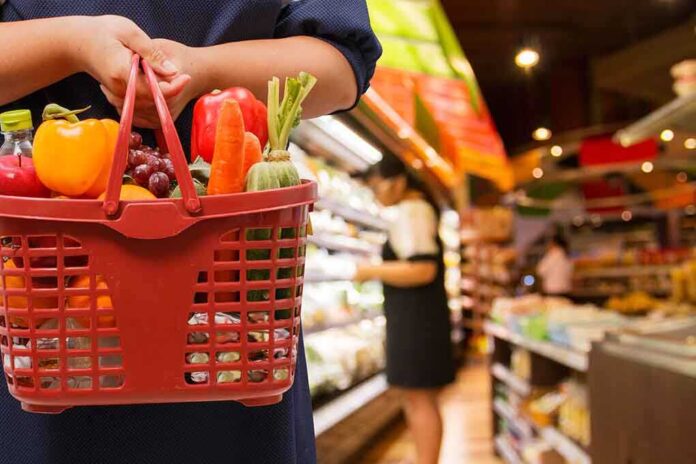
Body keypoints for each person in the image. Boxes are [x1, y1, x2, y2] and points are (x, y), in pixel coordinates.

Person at [0, 2, 381, 463]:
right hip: (42, 297)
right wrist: (71, 45)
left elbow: (342, 63)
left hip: (229, 309)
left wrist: (203, 69)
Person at [356, 154, 455, 464]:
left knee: (419, 398)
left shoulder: (411, 211)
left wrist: (372, 271)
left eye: (377, 187)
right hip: (419, 318)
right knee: (419, 398)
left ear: (398, 181)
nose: (376, 195)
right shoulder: (417, 208)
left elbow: (422, 270)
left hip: (417, 322)